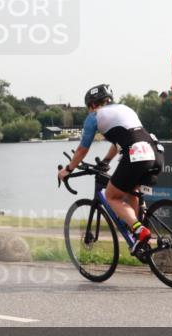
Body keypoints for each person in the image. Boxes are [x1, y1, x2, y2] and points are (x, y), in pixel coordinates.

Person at [57, 84, 164, 252]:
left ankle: (139, 230)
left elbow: (82, 149)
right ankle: (141, 240)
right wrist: (106, 161)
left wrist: (68, 170)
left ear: (92, 105)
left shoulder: (94, 116)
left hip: (136, 156)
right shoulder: (125, 109)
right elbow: (120, 141)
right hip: (155, 153)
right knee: (130, 192)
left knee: (112, 196)